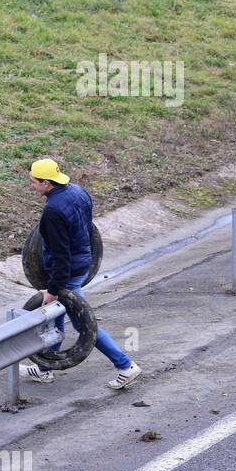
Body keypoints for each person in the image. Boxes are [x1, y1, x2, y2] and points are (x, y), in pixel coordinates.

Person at [20, 158, 141, 390]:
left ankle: (125, 366)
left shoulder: (52, 211)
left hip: (66, 272)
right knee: (56, 318)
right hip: (83, 261)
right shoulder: (78, 191)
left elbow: (61, 255)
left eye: (33, 182)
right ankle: (45, 369)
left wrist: (54, 289)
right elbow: (87, 229)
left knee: (84, 324)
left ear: (46, 183)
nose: (31, 186)